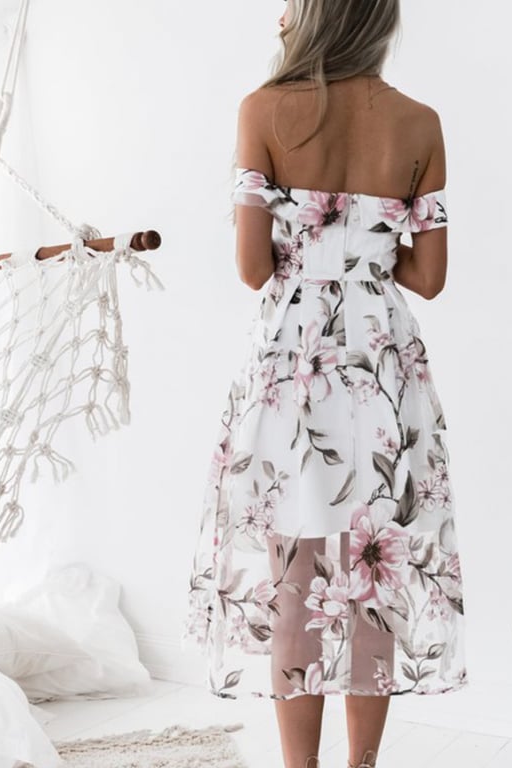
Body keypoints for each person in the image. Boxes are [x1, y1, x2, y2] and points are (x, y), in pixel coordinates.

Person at [184, 2, 466, 767]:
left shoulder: (263, 110)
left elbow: (252, 269)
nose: (280, 14)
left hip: (293, 361)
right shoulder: (420, 123)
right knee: (373, 566)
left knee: (295, 569)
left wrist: (312, 248)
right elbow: (429, 277)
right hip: (381, 362)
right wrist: (363, 253)